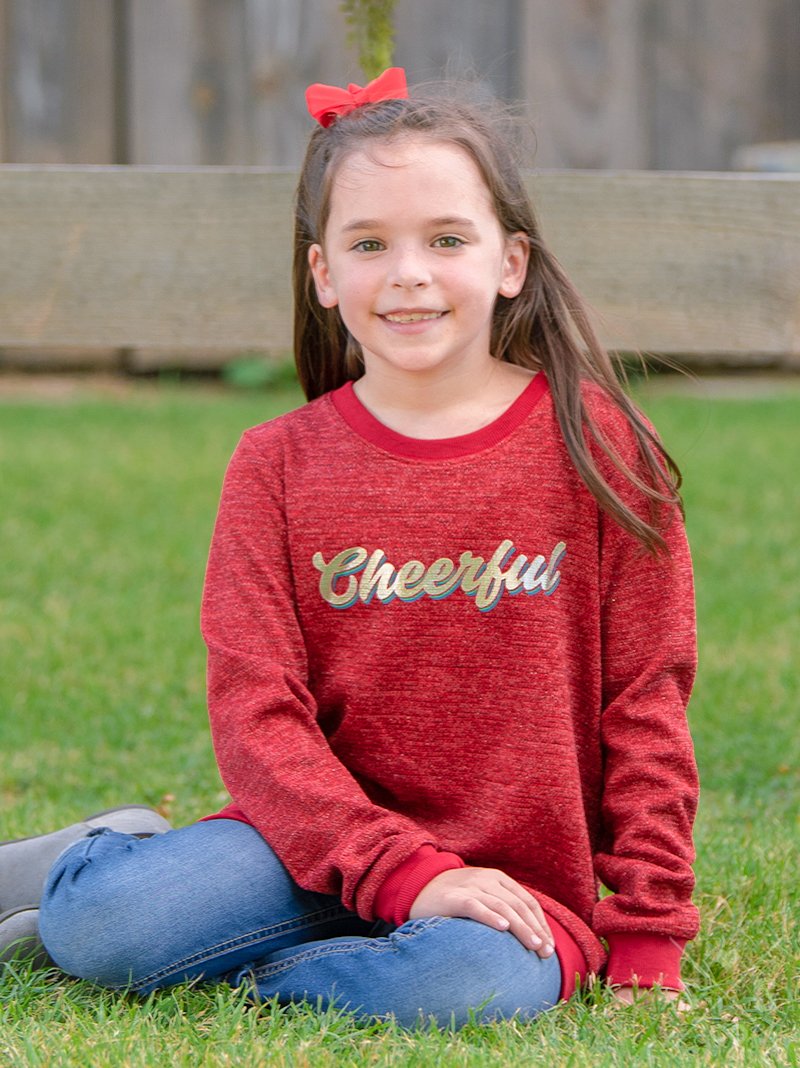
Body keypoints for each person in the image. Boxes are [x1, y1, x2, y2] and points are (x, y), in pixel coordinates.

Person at [0, 68, 699, 1029]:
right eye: (370, 244)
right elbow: (259, 712)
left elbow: (648, 703)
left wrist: (648, 923)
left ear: (512, 262)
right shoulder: (276, 464)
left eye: (446, 239)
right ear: (325, 274)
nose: (408, 271)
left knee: (454, 988)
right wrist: (400, 872)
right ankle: (114, 863)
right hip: (311, 847)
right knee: (109, 929)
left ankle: (246, 946)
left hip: (511, 888)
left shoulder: (602, 448)